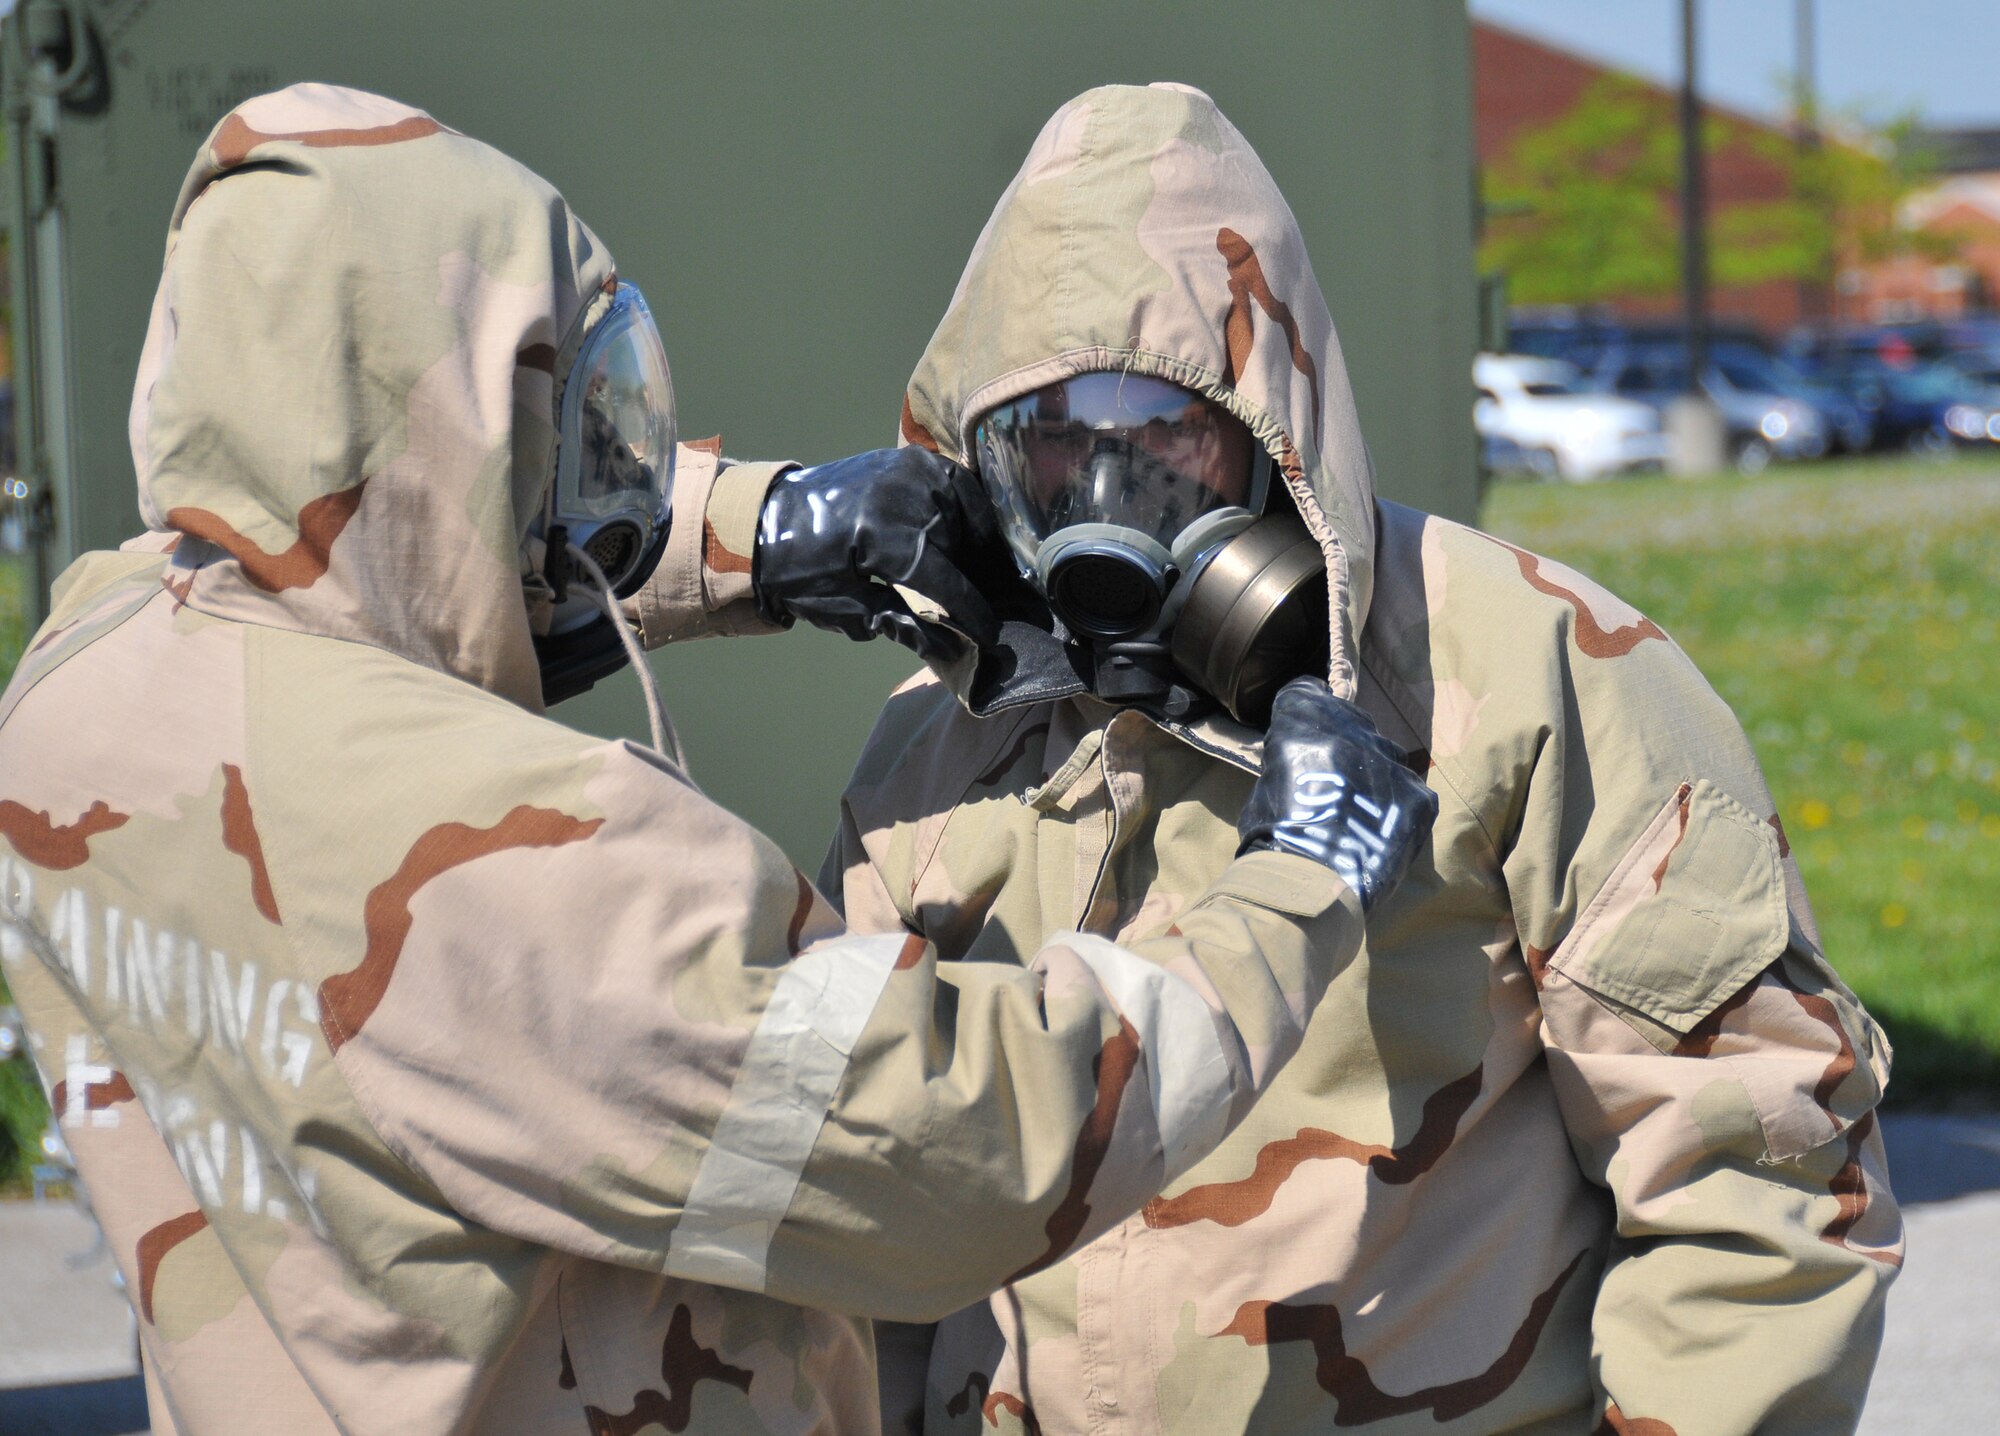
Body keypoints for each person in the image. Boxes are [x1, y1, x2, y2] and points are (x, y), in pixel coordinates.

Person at [0, 85, 1436, 1434]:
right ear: (470, 424)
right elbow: (971, 1147)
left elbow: (376, 539)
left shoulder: (86, 693)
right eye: (559, 414)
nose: (594, 474)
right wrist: (1297, 884)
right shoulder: (526, 865)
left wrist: (773, 535)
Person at [789, 84, 1899, 1435]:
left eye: (1158, 436)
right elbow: (855, 1228)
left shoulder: (1532, 671)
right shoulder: (938, 739)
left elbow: (1760, 1179)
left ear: (1266, 428)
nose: (1102, 501)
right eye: (1051, 445)